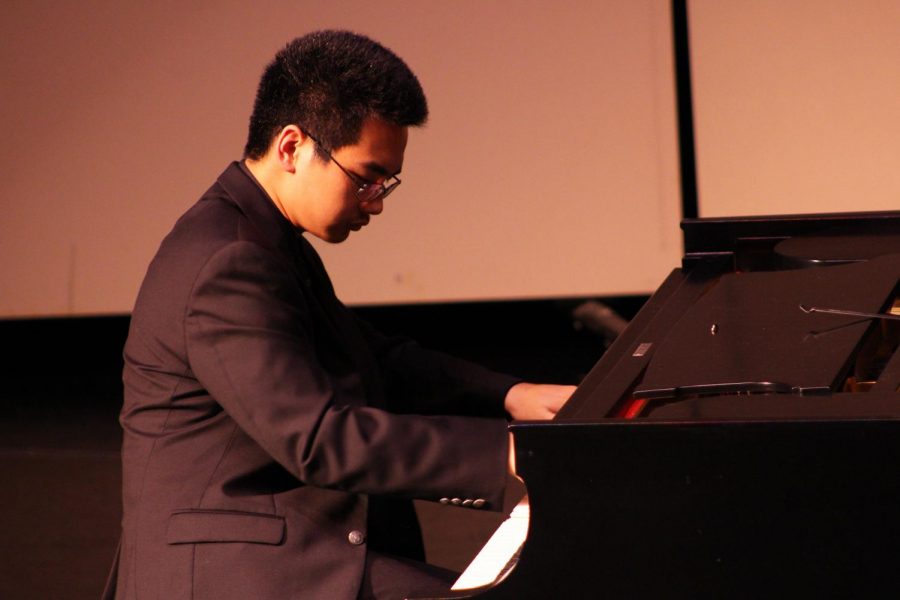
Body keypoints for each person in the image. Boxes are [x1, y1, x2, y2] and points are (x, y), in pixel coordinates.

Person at [104, 30, 574, 600]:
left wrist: (512, 395)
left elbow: (370, 357)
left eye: (386, 183)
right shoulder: (227, 261)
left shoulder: (263, 239)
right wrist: (507, 453)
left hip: (281, 547)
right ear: (292, 147)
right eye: (366, 177)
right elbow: (321, 439)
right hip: (227, 572)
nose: (375, 201)